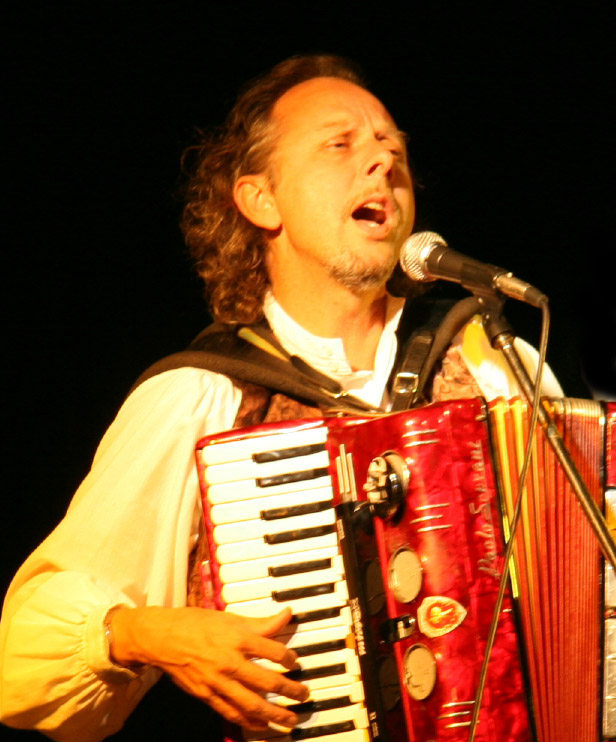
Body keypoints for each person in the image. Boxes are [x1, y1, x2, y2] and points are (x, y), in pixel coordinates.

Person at [0, 55, 562, 741]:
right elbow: (20, 657)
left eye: (393, 148)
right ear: (260, 199)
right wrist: (148, 632)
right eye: (341, 144)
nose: (382, 162)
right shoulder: (201, 395)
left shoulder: (495, 360)